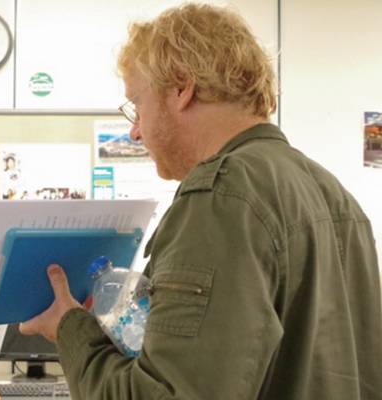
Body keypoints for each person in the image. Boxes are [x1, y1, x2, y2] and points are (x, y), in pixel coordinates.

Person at [20, 3, 382, 400]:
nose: (135, 132)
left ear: (181, 87)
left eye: (137, 105)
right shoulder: (335, 196)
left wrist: (70, 328)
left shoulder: (220, 196)